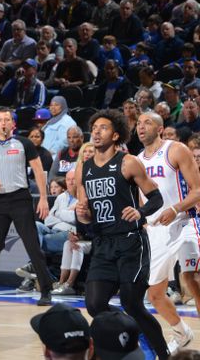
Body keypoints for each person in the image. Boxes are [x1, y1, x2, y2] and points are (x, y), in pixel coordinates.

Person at [75, 109, 170, 359]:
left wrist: (140, 212)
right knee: (95, 305)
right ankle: (126, 340)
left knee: (132, 304)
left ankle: (164, 354)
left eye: (103, 127)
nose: (96, 131)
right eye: (94, 127)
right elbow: (85, 215)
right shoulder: (84, 168)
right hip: (103, 243)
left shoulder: (128, 162)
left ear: (116, 134)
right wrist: (82, 213)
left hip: (131, 242)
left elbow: (156, 197)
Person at [136, 112, 200, 352]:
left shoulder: (176, 149)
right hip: (157, 230)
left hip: (184, 222)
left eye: (148, 123)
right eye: (139, 124)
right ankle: (182, 333)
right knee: (154, 295)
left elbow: (197, 190)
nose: (142, 127)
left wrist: (175, 209)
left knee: (192, 278)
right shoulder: (137, 160)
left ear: (160, 128)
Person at [0, 108, 52, 306]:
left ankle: (46, 290)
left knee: (32, 245)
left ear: (12, 124)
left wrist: (43, 198)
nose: (3, 123)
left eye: (6, 120)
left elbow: (38, 171)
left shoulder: (24, 143)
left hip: (20, 199)